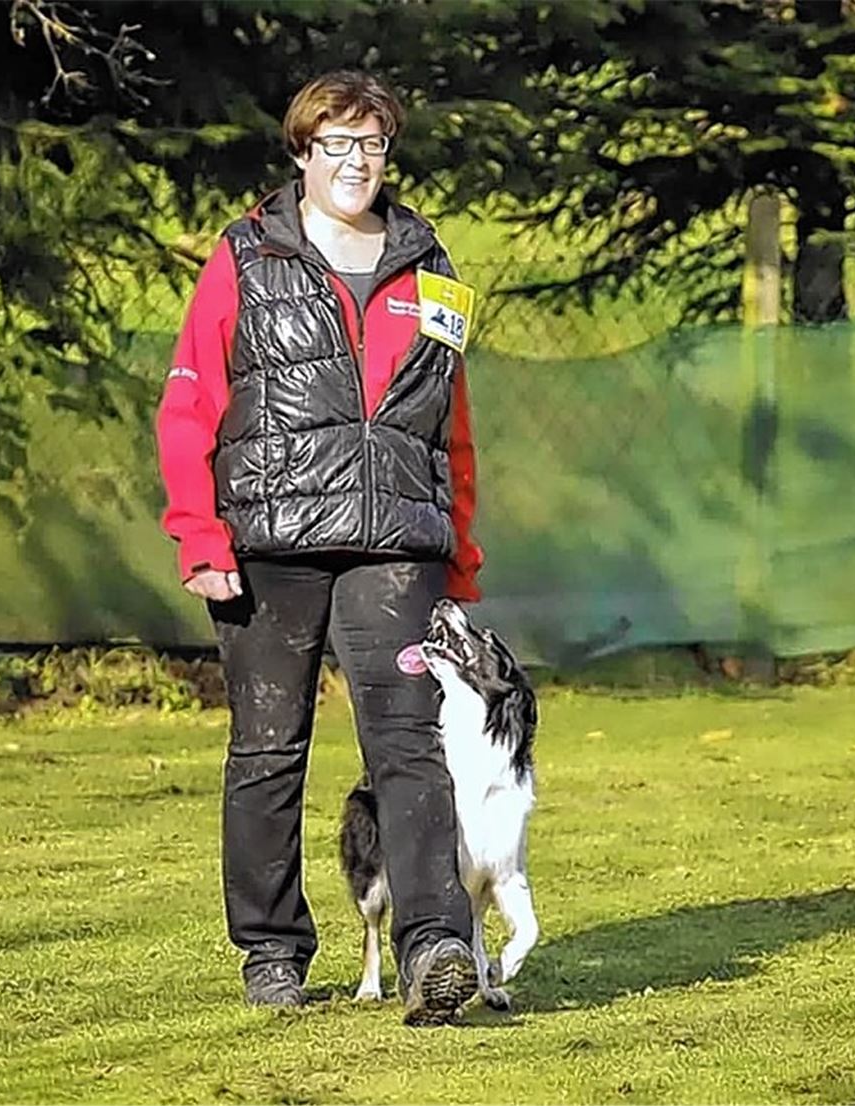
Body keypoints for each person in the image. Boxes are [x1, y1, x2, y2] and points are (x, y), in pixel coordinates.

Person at [154, 70, 485, 1026]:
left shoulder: (432, 265)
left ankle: (436, 950)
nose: (356, 164)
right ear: (302, 153)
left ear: (390, 155)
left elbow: (450, 419)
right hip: (269, 543)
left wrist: (460, 552)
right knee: (266, 749)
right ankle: (271, 953)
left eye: (372, 145)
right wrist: (198, 534)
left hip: (398, 545)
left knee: (412, 748)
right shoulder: (245, 257)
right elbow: (188, 405)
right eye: (335, 145)